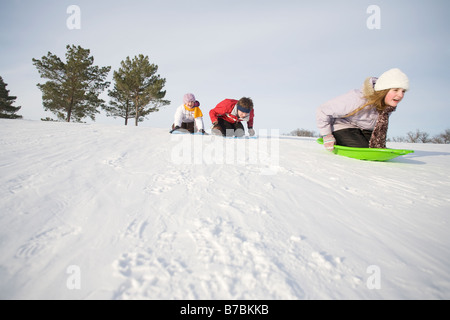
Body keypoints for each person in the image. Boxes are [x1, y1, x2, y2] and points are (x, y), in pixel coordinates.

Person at [316, 68, 409, 151]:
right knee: (363, 148)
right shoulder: (357, 99)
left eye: (403, 91)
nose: (400, 95)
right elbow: (323, 110)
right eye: (396, 90)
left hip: (363, 130)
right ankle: (339, 139)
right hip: (343, 126)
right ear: (383, 90)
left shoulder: (387, 107)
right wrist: (327, 134)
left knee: (374, 148)